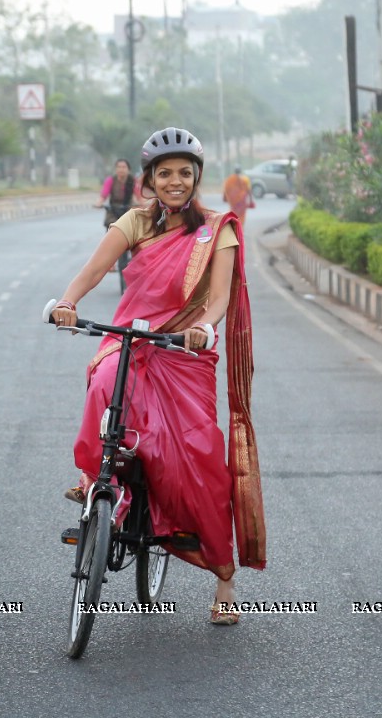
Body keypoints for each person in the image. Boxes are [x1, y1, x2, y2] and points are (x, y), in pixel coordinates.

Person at [51, 127, 267, 625]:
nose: (174, 181)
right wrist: (68, 300)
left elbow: (218, 299)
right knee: (106, 382)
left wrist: (202, 328)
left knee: (197, 456)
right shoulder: (135, 221)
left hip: (185, 350)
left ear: (196, 179)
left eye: (184, 174)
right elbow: (94, 268)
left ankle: (224, 581)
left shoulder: (219, 229)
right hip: (130, 338)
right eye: (164, 173)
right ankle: (101, 481)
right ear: (149, 178)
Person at [94, 158, 136, 229]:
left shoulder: (133, 180)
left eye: (123, 167)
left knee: (132, 227)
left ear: (128, 169)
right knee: (111, 226)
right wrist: (99, 203)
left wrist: (141, 204)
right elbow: (103, 195)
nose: (121, 169)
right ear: (116, 169)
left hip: (128, 210)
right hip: (113, 210)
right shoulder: (110, 180)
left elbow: (139, 196)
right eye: (119, 167)